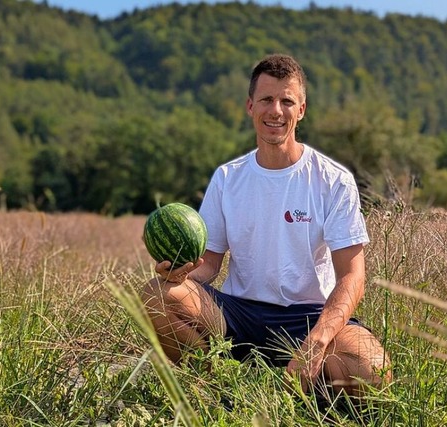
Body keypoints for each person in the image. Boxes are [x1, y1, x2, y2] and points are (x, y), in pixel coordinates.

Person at [142, 53, 391, 397]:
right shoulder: (228, 178)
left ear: (301, 109)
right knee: (156, 296)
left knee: (370, 369)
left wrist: (318, 338)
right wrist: (179, 275)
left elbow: (352, 276)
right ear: (250, 106)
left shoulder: (333, 180)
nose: (276, 110)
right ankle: (224, 391)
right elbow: (210, 263)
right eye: (266, 100)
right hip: (237, 314)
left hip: (308, 316)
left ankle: (305, 391)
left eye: (286, 101)